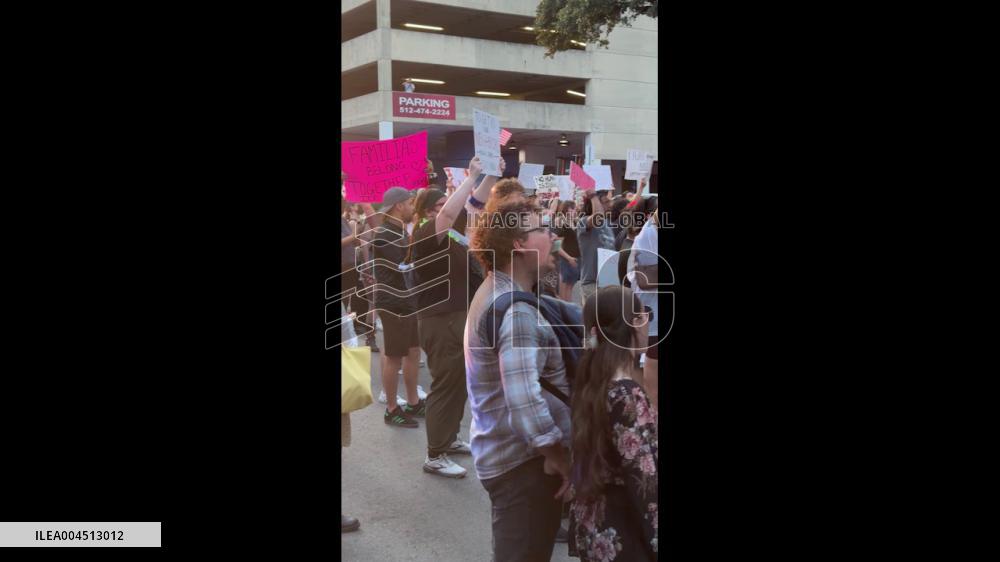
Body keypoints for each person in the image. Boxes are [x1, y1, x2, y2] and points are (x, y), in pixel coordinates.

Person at [465, 197, 573, 561]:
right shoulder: (516, 310)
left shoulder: (501, 290)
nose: (553, 236)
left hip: (512, 459)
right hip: (523, 466)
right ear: (519, 245)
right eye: (542, 229)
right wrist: (556, 455)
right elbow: (524, 401)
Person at [408, 156, 502, 478]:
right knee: (445, 384)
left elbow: (473, 205)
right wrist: (472, 173)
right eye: (435, 208)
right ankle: (435, 454)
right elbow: (451, 212)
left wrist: (490, 173)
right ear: (425, 212)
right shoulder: (423, 234)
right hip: (441, 318)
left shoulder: (451, 237)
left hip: (458, 317)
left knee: (460, 383)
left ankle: (448, 439)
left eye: (442, 207)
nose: (442, 212)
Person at [568, 286, 658, 560]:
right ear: (631, 324)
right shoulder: (627, 393)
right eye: (645, 315)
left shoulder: (592, 380)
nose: (648, 324)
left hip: (594, 523)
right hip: (624, 529)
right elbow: (644, 479)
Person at [372, 187, 425, 428]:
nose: (413, 208)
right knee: (394, 356)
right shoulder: (385, 233)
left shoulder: (398, 230)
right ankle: (392, 409)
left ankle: (413, 402)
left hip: (407, 300)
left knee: (413, 351)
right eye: (410, 203)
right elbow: (406, 263)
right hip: (393, 303)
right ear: (398, 206)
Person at [627, 196, 660, 412]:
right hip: (650, 305)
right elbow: (648, 277)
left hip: (652, 304)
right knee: (652, 351)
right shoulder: (649, 234)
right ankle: (652, 410)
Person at [576, 188, 616, 307]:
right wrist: (593, 196)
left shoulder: (607, 224)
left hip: (608, 282)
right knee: (595, 323)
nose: (610, 205)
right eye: (606, 202)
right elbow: (597, 218)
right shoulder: (583, 222)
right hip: (592, 284)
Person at [553, 200, 580, 302]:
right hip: (566, 259)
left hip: (575, 258)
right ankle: (565, 310)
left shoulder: (574, 222)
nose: (575, 210)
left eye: (575, 208)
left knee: (570, 286)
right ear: (566, 210)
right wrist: (568, 258)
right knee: (564, 288)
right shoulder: (561, 222)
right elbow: (556, 245)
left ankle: (568, 309)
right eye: (572, 208)